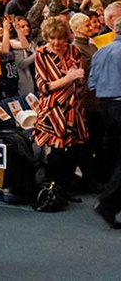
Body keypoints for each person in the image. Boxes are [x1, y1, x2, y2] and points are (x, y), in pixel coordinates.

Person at [34, 16, 89, 201]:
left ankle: (64, 189)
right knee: (56, 154)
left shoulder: (74, 51)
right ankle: (52, 190)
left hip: (73, 108)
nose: (56, 42)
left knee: (74, 151)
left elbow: (80, 83)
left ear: (67, 37)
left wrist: (78, 78)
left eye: (60, 38)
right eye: (52, 38)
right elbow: (43, 86)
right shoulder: (41, 54)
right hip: (53, 110)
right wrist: (68, 78)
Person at [89, 16, 121, 228]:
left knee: (116, 156)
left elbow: (92, 82)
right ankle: (108, 202)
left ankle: (108, 199)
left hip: (106, 107)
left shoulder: (101, 51)